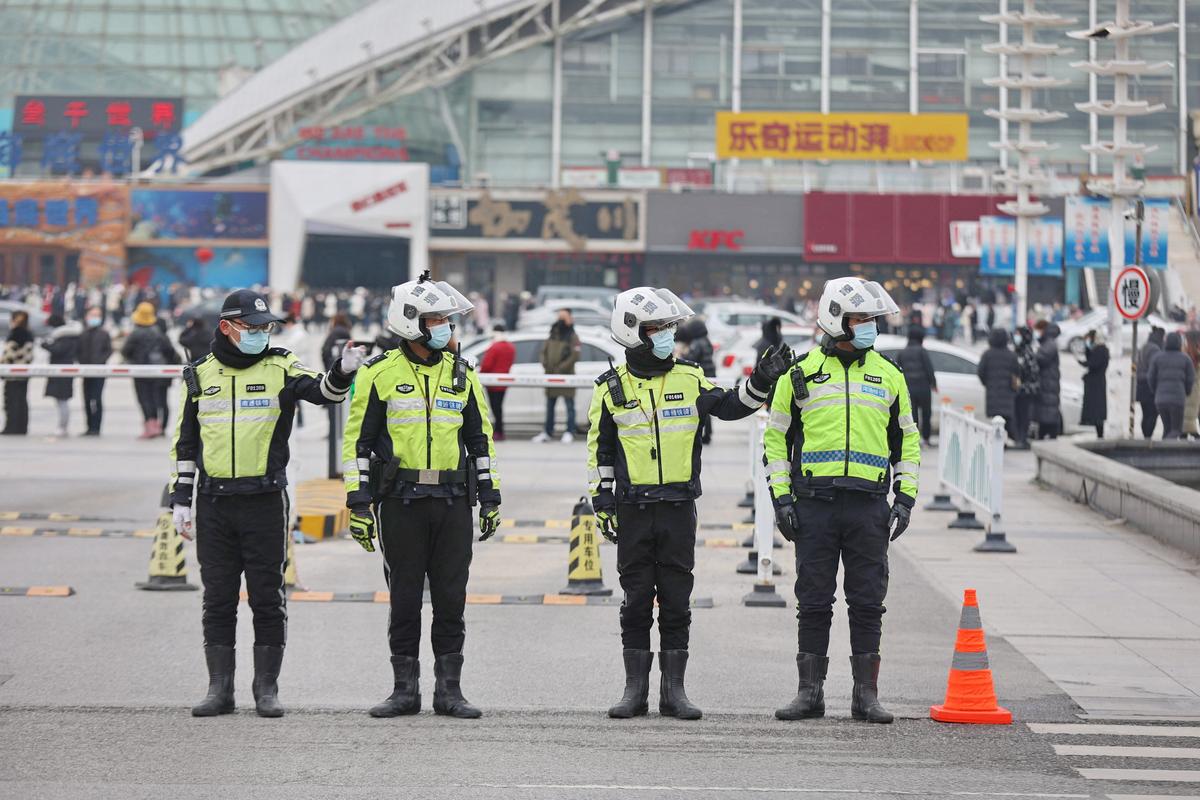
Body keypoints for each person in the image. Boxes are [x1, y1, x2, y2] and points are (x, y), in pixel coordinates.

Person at [588, 287, 792, 721]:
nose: (667, 335)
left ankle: (674, 691)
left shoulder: (690, 376)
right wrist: (602, 504)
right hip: (634, 510)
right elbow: (600, 452)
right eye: (657, 328)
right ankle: (634, 691)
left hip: (679, 508)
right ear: (632, 333)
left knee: (678, 600)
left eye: (668, 327)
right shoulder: (610, 389)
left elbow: (733, 406)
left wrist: (761, 380)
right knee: (636, 599)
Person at [170, 289, 364, 719]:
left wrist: (343, 372)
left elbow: (323, 394)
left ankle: (266, 689)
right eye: (253, 327)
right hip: (215, 502)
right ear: (227, 328)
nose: (262, 334)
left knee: (267, 598)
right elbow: (186, 443)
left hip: (264, 501)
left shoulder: (281, 366)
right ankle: (219, 689)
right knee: (217, 599)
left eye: (267, 327)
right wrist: (180, 500)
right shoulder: (200, 374)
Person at [764, 277, 920, 726]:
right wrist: (782, 498)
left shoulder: (890, 375)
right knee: (813, 600)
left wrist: (905, 497)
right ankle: (808, 693)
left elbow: (907, 441)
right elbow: (775, 439)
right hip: (813, 505)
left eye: (872, 319)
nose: (869, 327)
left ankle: (865, 696)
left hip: (869, 505)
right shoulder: (799, 375)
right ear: (836, 320)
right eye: (861, 319)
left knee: (868, 601)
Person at [342, 275, 498, 720]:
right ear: (410, 322)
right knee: (405, 599)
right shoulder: (377, 373)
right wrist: (358, 502)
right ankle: (403, 691)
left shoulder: (462, 373)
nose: (446, 328)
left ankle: (450, 691)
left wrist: (490, 496)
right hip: (401, 503)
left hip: (452, 501)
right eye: (437, 320)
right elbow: (357, 443)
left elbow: (480, 439)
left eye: (448, 320)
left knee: (452, 598)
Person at [123, 302, 178, 439]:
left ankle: (150, 426)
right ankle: (161, 427)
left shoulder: (135, 334)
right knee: (161, 400)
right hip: (159, 371)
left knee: (145, 399)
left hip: (141, 371)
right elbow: (170, 351)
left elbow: (125, 351)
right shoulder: (158, 332)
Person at [534, 309, 581, 443]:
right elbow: (543, 351)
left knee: (569, 405)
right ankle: (548, 431)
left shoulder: (573, 335)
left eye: (564, 317)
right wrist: (545, 364)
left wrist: (561, 368)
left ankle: (569, 431)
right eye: (559, 317)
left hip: (566, 377)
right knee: (550, 405)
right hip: (550, 376)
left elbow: (575, 355)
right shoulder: (553, 333)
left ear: (569, 319)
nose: (561, 320)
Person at [1148, 332, 1196, 440]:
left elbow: (1150, 378)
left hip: (1160, 400)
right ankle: (1166, 449)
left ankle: (1164, 452)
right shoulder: (1185, 359)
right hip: (1177, 399)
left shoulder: (1157, 358)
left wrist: (1156, 391)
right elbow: (1190, 379)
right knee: (1176, 429)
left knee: (1167, 428)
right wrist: (1186, 392)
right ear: (1179, 343)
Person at [895, 326, 937, 445]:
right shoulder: (922, 351)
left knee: (912, 415)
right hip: (923, 387)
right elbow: (929, 369)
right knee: (926, 414)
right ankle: (926, 439)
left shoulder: (902, 352)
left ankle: (914, 440)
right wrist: (933, 383)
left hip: (909, 387)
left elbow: (898, 370)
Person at [42, 313, 81, 438]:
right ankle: (62, 426)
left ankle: (62, 427)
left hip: (62, 372)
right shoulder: (70, 335)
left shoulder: (64, 336)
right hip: (62, 372)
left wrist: (46, 345)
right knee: (61, 400)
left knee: (62, 400)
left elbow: (58, 350)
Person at [976, 327, 1019, 442]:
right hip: (1008, 393)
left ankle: (997, 442)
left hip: (993, 393)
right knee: (1006, 419)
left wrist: (987, 383)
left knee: (995, 420)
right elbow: (1017, 373)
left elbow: (980, 372)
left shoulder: (987, 355)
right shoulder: (1012, 355)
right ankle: (1008, 440)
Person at [681, 319, 717, 445]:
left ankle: (704, 435)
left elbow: (691, 358)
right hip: (711, 374)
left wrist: (683, 355)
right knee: (709, 406)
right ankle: (708, 433)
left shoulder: (697, 343)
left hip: (703, 376)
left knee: (702, 407)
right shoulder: (706, 341)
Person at [78, 307, 112, 436]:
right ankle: (89, 426)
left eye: (97, 315)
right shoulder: (83, 334)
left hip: (99, 372)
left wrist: (100, 362)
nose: (95, 318)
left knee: (97, 399)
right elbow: (79, 351)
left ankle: (96, 427)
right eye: (92, 315)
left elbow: (108, 351)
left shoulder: (104, 334)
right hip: (85, 371)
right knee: (86, 399)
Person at [480, 323, 515, 441]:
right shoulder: (510, 347)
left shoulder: (494, 347)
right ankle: (500, 430)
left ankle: (499, 431)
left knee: (495, 408)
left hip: (492, 383)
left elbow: (486, 365)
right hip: (504, 382)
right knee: (499, 407)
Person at [2, 310, 34, 435]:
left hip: (13, 373)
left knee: (12, 401)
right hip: (24, 373)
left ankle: (12, 427)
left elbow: (9, 355)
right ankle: (21, 427)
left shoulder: (15, 334)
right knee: (21, 400)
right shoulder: (29, 334)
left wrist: (2, 365)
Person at [1011, 326, 1040, 449]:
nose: (1016, 337)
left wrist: (1022, 386)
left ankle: (1022, 439)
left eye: (1018, 334)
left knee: (1023, 416)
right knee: (1017, 415)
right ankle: (1018, 438)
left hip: (1025, 391)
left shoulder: (1028, 353)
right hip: (1017, 391)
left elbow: (1032, 374)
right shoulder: (1016, 351)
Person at [1078, 329, 1110, 438]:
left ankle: (1100, 434)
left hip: (1097, 385)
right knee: (1095, 411)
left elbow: (1092, 363)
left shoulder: (1101, 350)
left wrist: (1082, 363)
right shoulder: (1097, 349)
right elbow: (1090, 358)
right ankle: (1099, 433)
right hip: (1094, 383)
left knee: (1097, 412)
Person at [1033, 320, 1061, 440]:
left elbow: (1041, 359)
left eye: (1037, 330)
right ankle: (1046, 434)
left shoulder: (1049, 344)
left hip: (1048, 384)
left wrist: (1032, 354)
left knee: (1048, 414)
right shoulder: (1047, 343)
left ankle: (1049, 435)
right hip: (1048, 383)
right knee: (1046, 413)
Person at [1136, 326, 1165, 439]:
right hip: (1150, 388)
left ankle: (1146, 436)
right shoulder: (1155, 350)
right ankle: (1147, 436)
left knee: (1146, 414)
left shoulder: (1145, 346)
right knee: (1152, 414)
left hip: (1141, 387)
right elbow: (1156, 370)